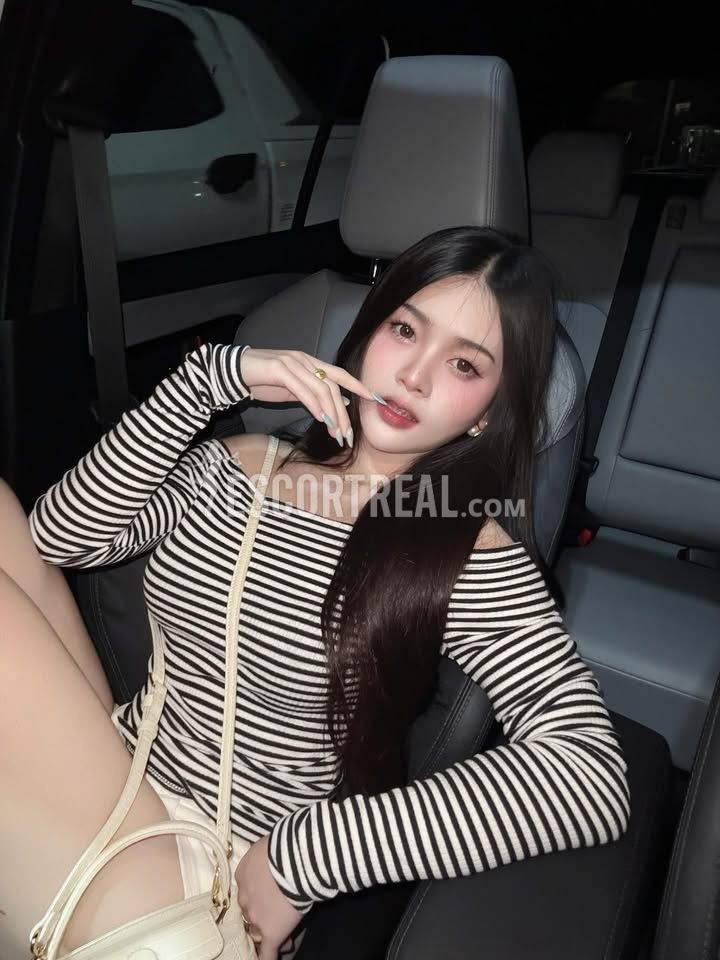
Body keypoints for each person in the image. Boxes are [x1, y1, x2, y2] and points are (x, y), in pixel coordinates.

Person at [0, 226, 630, 960]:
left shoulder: (466, 548)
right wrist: (207, 381)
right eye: (405, 330)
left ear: (489, 411)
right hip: (113, 770)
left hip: (207, 873)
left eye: (464, 364)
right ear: (369, 334)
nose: (414, 376)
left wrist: (305, 857)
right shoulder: (243, 463)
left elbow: (589, 771)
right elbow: (58, 540)